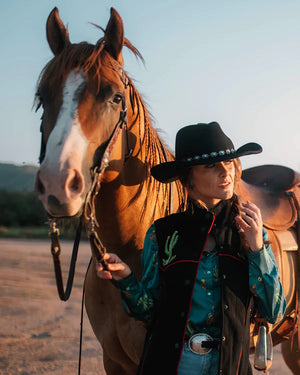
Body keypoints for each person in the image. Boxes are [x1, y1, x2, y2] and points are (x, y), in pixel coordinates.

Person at [96, 122, 286, 375]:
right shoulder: (162, 234)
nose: (225, 172)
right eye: (211, 166)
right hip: (172, 364)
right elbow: (148, 311)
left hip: (229, 366)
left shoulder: (250, 231)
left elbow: (274, 311)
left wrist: (257, 249)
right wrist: (125, 278)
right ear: (188, 179)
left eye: (229, 163)